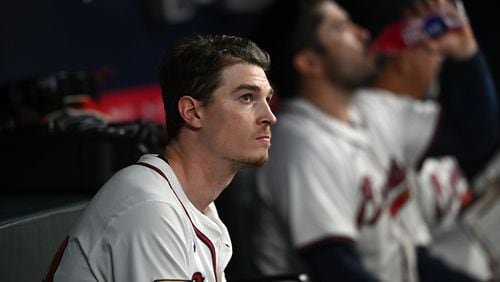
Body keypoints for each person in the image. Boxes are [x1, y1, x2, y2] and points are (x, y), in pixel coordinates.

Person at [247, 0, 498, 281]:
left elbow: (477, 135)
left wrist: (465, 54)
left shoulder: (369, 109)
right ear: (309, 62)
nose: (363, 34)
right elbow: (336, 269)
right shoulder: (300, 144)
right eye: (341, 28)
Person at [43, 34, 277, 282]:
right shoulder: (150, 206)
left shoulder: (197, 204)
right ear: (192, 112)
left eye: (268, 99)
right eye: (247, 98)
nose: (270, 116)